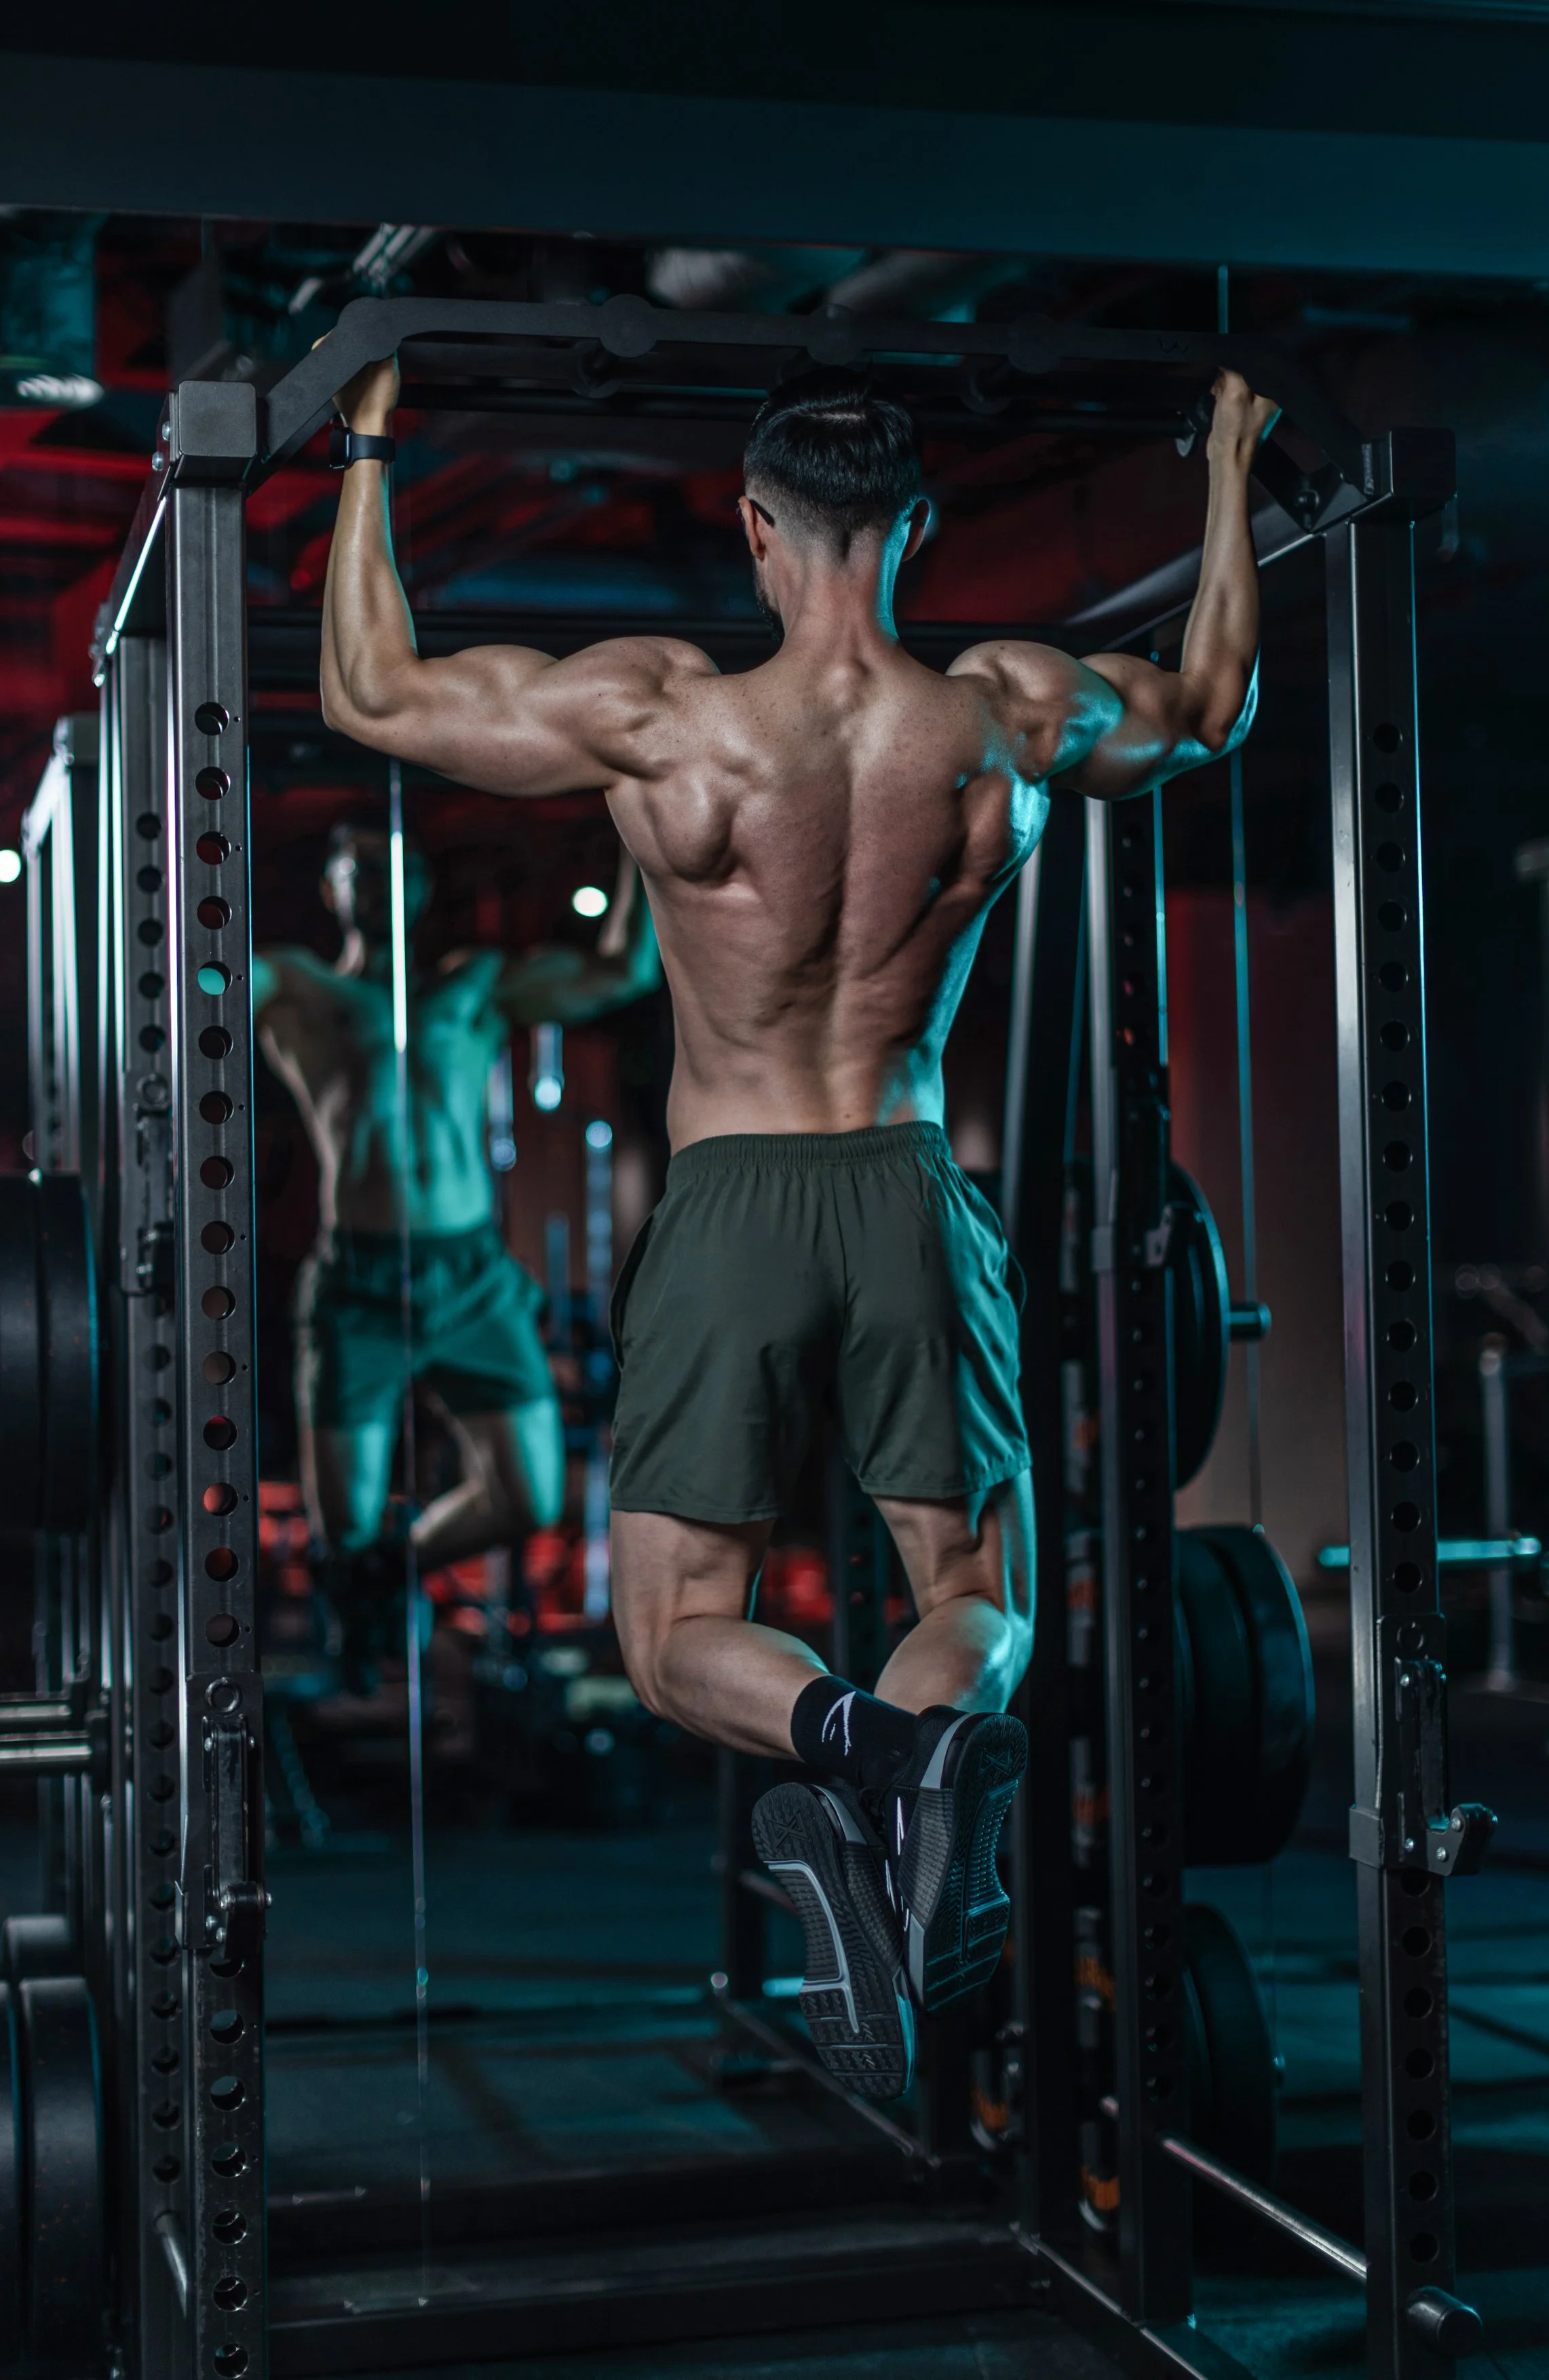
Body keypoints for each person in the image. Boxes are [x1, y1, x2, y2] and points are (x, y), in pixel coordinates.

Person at [317, 352, 1278, 2093]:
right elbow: (1211, 702)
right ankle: (921, 1754)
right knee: (977, 1589)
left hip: (732, 1198)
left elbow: (372, 692)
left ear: (758, 529)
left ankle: (850, 1748)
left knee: (676, 1633)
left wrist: (370, 446)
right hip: (911, 1179)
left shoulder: (668, 716)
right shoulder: (1004, 713)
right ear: (913, 528)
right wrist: (1223, 470)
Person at [254, 827, 659, 1689]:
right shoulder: (298, 987)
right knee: (343, 1528)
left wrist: (639, 838)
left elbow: (624, 971)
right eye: (358, 868)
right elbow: (188, 986)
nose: (378, 881)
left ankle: (391, 1569)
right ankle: (362, 1603)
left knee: (529, 1497)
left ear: (421, 886)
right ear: (331, 889)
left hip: (472, 1277)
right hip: (358, 1282)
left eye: (396, 867)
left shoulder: (472, 986)